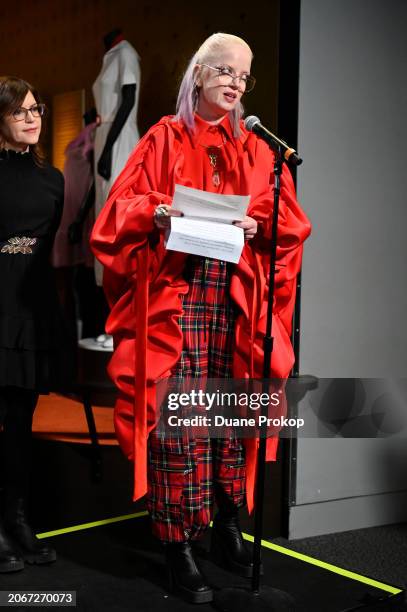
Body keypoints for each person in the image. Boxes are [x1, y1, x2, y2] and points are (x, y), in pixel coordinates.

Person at [91, 33, 311, 603]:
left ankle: (225, 527)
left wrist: (259, 226)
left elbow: (285, 219)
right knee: (178, 416)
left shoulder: (259, 148)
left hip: (234, 295)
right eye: (227, 71)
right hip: (179, 292)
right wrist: (158, 211)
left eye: (245, 76)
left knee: (232, 411)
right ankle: (177, 542)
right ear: (198, 74)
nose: (237, 83)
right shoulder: (166, 136)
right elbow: (121, 208)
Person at [0, 76, 71, 572]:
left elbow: (42, 247)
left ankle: (17, 519)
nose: (32, 118)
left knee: (21, 422)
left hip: (32, 307)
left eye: (36, 109)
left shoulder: (55, 180)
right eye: (20, 111)